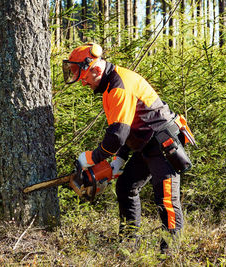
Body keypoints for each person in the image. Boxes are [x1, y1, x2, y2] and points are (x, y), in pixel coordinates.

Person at [62, 43, 194, 251]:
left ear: (96, 69)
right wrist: (119, 160)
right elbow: (128, 125)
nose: (83, 83)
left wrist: (93, 158)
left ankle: (169, 255)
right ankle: (129, 243)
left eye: (84, 78)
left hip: (162, 144)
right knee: (126, 186)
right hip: (145, 144)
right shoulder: (109, 86)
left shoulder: (118, 87)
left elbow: (117, 136)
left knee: (166, 201)